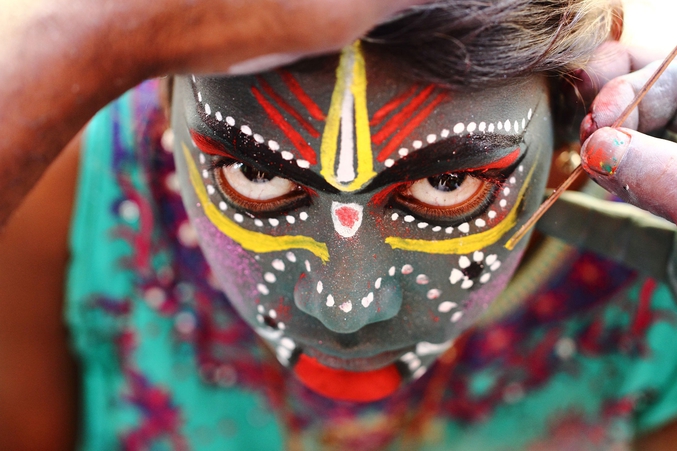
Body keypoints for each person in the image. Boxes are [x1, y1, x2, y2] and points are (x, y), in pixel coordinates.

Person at [2, 0, 677, 450]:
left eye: (446, 183)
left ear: (568, 123)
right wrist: (78, 44)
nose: (346, 307)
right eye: (256, 176)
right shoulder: (61, 195)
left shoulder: (651, 281)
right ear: (165, 92)